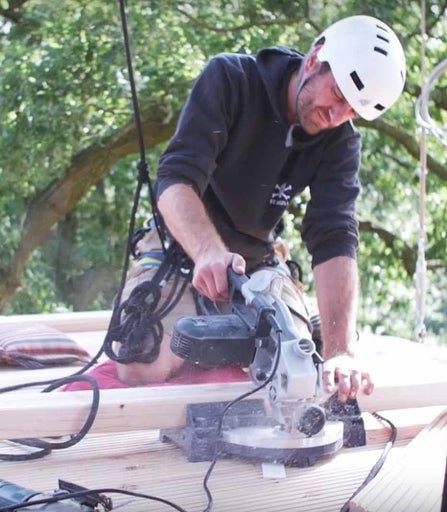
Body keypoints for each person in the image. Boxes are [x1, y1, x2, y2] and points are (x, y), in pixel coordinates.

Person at [110, 15, 407, 403]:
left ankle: (311, 327)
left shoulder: (339, 140)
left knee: (297, 375)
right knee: (140, 365)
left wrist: (341, 352)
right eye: (337, 95)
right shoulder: (231, 78)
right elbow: (175, 179)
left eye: (352, 111)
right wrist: (207, 252)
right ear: (316, 58)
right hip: (180, 251)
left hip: (259, 263)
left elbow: (334, 235)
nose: (337, 117)